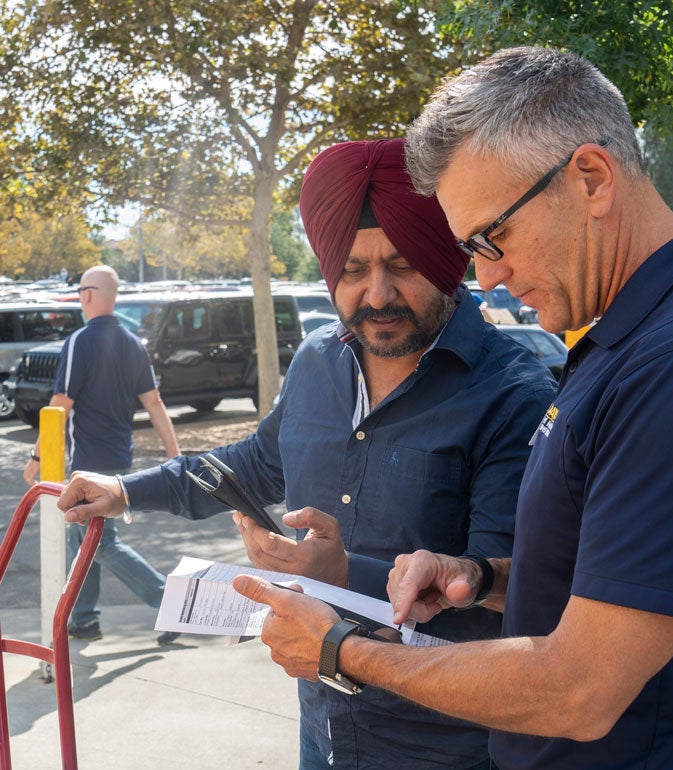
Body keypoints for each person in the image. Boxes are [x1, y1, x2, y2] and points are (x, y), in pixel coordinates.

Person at [222, 47, 673, 770]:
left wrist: (340, 651)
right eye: (472, 248)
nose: (488, 276)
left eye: (491, 237)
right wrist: (479, 574)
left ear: (591, 178)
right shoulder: (633, 338)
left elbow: (582, 689)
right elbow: (611, 580)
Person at [57, 139, 556, 769]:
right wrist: (126, 490)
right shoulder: (320, 357)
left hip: (442, 741)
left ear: (445, 259)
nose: (376, 295)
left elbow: (509, 584)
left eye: (401, 265)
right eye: (351, 271)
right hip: (321, 720)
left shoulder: (513, 394)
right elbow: (252, 464)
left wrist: (346, 574)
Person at [24, 265, 182, 646]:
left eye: (80, 290)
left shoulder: (81, 341)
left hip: (88, 463)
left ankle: (169, 604)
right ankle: (84, 618)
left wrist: (37, 456)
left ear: (90, 295)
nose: (79, 297)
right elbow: (155, 402)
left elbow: (60, 404)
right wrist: (174, 454)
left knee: (101, 542)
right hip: (117, 459)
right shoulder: (132, 343)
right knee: (84, 537)